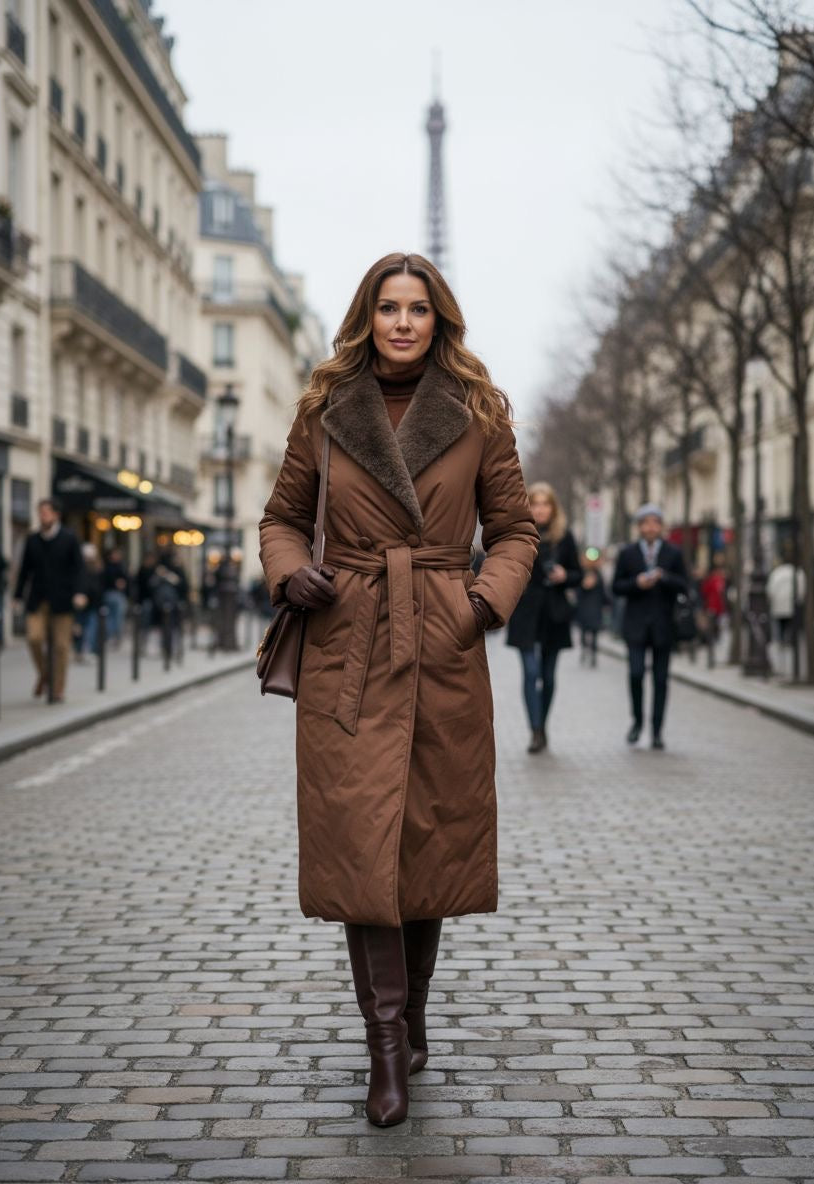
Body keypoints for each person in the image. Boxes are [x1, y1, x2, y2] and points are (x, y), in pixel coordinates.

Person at [257, 252, 538, 1127]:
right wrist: (292, 572)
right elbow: (281, 518)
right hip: (349, 641)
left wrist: (481, 604)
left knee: (427, 844)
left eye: (419, 308)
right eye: (389, 308)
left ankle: (412, 1012)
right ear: (367, 316)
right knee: (359, 843)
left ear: (439, 317)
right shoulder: (325, 409)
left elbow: (516, 527)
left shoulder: (480, 412)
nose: (404, 322)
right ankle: (385, 1047)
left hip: (444, 644)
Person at [505, 482, 582, 752]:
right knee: (531, 672)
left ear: (553, 507)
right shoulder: (519, 534)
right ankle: (535, 730)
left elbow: (578, 575)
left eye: (545, 504)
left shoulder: (565, 537)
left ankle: (543, 725)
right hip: (525, 611)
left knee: (548, 677)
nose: (540, 509)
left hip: (554, 613)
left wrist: (565, 576)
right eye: (535, 503)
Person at [612, 503, 688, 750]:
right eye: (645, 523)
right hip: (635, 625)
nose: (650, 527)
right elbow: (616, 586)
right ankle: (637, 722)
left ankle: (657, 730)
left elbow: (685, 584)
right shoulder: (628, 553)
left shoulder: (673, 554)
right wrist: (637, 583)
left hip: (663, 626)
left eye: (655, 522)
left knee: (660, 680)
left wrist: (663, 578)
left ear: (661, 526)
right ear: (639, 527)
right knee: (635, 674)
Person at [13, 497, 86, 702]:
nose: (42, 516)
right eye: (40, 512)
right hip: (37, 598)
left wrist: (80, 593)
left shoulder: (69, 538)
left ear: (56, 515)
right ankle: (46, 674)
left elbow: (79, 569)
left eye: (46, 512)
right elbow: (25, 570)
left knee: (61, 646)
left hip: (62, 600)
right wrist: (18, 595)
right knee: (34, 638)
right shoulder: (33, 539)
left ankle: (57, 688)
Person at [576, 546, 610, 668]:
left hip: (595, 608)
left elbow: (604, 592)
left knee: (594, 633)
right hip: (584, 608)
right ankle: (584, 650)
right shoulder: (582, 573)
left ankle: (593, 655)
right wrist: (584, 585)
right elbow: (577, 591)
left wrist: (607, 604)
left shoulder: (599, 575)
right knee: (584, 632)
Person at [73, 543, 105, 660]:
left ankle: (90, 650)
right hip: (80, 604)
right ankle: (79, 650)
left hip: (93, 604)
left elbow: (99, 587)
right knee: (79, 629)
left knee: (91, 628)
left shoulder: (98, 569)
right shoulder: (78, 569)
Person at [766, 552, 805, 645]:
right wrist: (799, 599)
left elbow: (771, 588)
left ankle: (783, 640)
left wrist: (771, 599)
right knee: (791, 623)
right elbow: (802, 588)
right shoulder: (798, 572)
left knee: (781, 624)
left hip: (779, 604)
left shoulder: (777, 572)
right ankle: (790, 640)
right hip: (792, 603)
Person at [102, 546, 129, 644]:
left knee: (117, 617)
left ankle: (115, 636)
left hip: (119, 594)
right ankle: (110, 636)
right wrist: (116, 583)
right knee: (111, 617)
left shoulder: (121, 566)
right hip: (111, 594)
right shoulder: (108, 567)